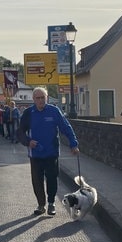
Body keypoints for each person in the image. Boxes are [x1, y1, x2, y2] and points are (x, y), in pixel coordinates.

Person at [16, 87, 79, 216]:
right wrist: (28, 142)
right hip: (36, 153)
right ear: (33, 99)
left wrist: (73, 144)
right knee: (37, 180)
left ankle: (51, 203)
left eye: (42, 97)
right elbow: (20, 132)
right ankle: (41, 205)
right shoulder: (28, 113)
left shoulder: (54, 111)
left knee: (52, 178)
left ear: (47, 98)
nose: (40, 100)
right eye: (37, 98)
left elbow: (66, 127)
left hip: (51, 152)